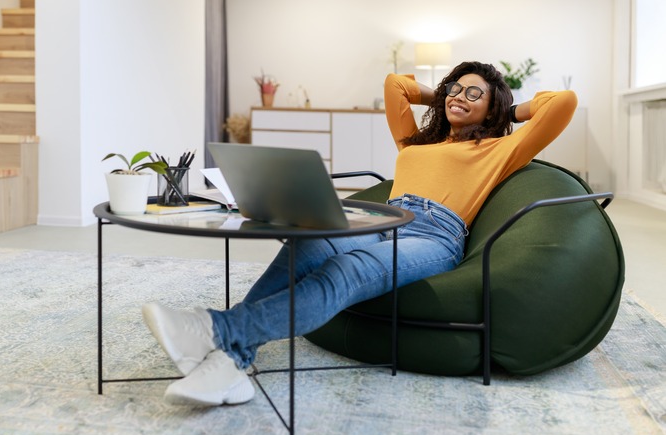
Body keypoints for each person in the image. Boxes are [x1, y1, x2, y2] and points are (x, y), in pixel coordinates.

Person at [141, 61, 577, 406]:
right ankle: (233, 361)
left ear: (492, 106)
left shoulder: (500, 148)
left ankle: (214, 329)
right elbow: (395, 85)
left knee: (347, 269)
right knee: (310, 246)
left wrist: (505, 108)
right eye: (454, 89)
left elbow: (563, 102)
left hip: (436, 235)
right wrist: (448, 92)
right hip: (387, 217)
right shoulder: (415, 142)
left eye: (473, 93)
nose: (459, 97)